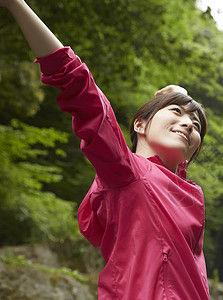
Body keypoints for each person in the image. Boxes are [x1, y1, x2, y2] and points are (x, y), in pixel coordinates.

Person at [1, 0, 210, 299]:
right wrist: (17, 5)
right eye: (176, 112)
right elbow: (82, 92)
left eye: (196, 124)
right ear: (139, 125)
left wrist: (180, 98)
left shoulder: (192, 195)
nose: (189, 124)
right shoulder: (125, 171)